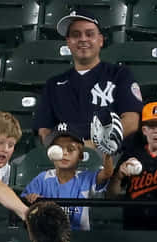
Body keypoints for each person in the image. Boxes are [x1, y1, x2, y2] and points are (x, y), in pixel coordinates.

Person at [33, 11, 143, 149]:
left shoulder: (120, 75)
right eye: (75, 35)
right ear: (68, 42)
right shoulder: (54, 84)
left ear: (101, 40)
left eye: (89, 34)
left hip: (111, 156)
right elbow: (44, 129)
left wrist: (95, 146)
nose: (83, 39)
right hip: (66, 157)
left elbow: (132, 121)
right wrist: (62, 151)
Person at [107, 100, 157, 230]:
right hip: (132, 225)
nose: (156, 131)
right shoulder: (131, 154)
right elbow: (111, 196)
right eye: (151, 126)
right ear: (144, 130)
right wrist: (118, 177)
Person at [20, 123, 113, 231]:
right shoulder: (42, 179)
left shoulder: (86, 178)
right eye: (58, 149)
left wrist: (107, 151)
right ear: (50, 154)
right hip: (48, 236)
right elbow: (24, 202)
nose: (64, 153)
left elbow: (107, 173)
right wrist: (30, 199)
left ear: (80, 155)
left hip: (81, 238)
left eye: (70, 149)